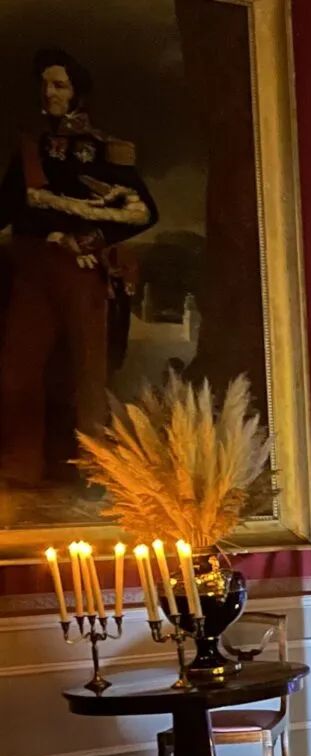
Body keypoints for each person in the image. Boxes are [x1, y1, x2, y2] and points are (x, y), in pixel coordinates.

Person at [0, 47, 157, 487]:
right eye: (45, 84)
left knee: (89, 372)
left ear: (77, 94)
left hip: (81, 269)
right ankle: (18, 467)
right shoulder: (28, 149)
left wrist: (90, 238)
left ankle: (95, 471)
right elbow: (10, 205)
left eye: (60, 85)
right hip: (32, 271)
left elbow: (145, 212)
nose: (49, 92)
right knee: (17, 368)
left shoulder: (106, 150)